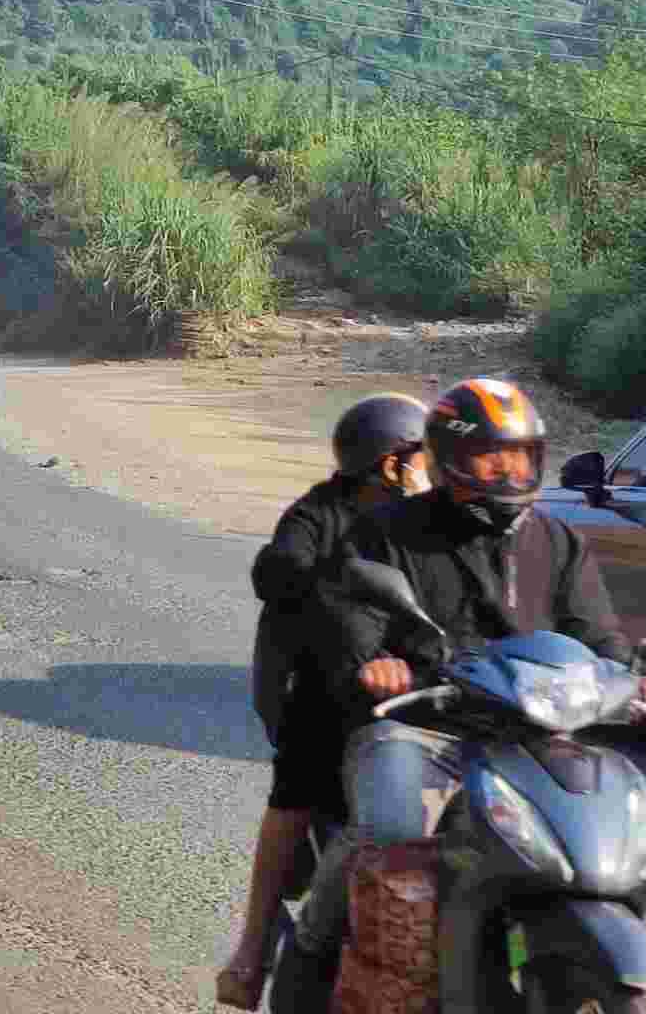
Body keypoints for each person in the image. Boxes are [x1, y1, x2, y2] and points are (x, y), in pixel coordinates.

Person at [265, 376, 646, 1014]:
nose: (512, 469)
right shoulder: (387, 534)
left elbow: (598, 634)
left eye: (522, 455)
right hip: (424, 727)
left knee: (617, 819)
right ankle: (324, 959)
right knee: (395, 826)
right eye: (495, 454)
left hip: (533, 733)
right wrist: (377, 665)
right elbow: (353, 624)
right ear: (451, 458)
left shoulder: (557, 540)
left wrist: (636, 673)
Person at [216, 395, 435, 1012]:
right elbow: (277, 569)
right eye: (423, 456)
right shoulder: (319, 511)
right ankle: (252, 950)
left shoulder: (432, 522)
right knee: (299, 787)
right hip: (316, 683)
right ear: (391, 464)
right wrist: (323, 582)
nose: (435, 466)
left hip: (412, 685)